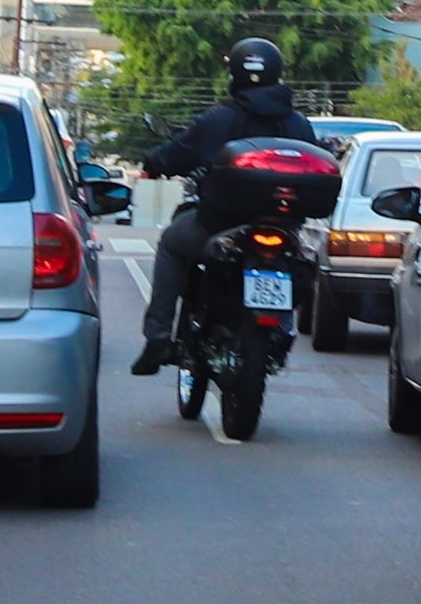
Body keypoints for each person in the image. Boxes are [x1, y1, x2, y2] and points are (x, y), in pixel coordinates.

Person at [131, 37, 318, 374]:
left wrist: (153, 163)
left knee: (172, 244)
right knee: (294, 263)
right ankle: (281, 329)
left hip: (219, 225)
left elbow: (176, 153)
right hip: (284, 227)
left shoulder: (219, 119)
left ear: (234, 73)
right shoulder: (299, 125)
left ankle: (158, 337)